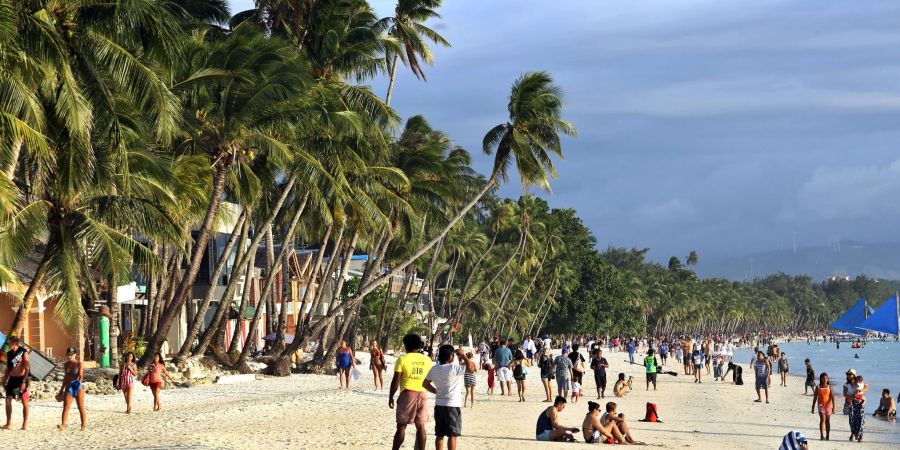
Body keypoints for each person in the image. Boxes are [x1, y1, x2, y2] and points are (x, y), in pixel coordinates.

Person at [423, 345, 476, 450]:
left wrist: (437, 392)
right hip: (452, 405)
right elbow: (471, 368)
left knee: (439, 434)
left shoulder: (434, 369)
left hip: (439, 405)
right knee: (452, 434)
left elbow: (425, 384)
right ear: (450, 356)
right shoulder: (453, 368)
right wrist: (463, 355)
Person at [389, 334, 431, 450]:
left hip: (407, 394)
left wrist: (391, 396)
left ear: (406, 345)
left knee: (401, 427)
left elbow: (396, 380)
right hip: (422, 394)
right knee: (421, 426)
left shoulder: (402, 359)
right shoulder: (427, 360)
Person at [2, 336, 29, 430]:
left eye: (9, 343)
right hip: (12, 379)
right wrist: (3, 381)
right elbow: (8, 369)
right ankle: (8, 423)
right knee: (8, 400)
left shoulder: (23, 352)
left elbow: (27, 368)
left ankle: (25, 424)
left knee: (24, 401)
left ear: (14, 343)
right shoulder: (9, 354)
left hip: (22, 379)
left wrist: (24, 382)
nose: (7, 345)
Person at [57, 347, 86, 431]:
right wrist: (61, 389)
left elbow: (81, 376)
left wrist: (77, 382)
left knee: (80, 407)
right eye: (68, 355)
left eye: (71, 355)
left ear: (75, 354)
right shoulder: (66, 364)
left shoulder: (79, 364)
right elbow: (66, 377)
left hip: (77, 387)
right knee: (66, 407)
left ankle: (83, 426)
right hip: (69, 387)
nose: (69, 357)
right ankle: (63, 425)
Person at [811, 372, 835, 440]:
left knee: (828, 421)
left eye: (826, 378)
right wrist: (813, 407)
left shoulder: (829, 387)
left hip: (828, 406)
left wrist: (834, 407)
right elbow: (815, 397)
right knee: (822, 420)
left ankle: (827, 435)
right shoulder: (818, 387)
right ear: (821, 379)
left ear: (827, 379)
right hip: (821, 406)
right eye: (823, 378)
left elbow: (832, 397)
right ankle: (822, 435)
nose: (825, 379)